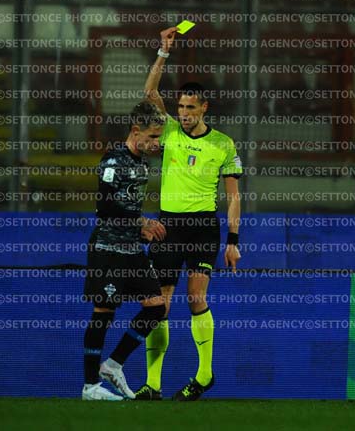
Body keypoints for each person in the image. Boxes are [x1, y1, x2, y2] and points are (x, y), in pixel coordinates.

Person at [138, 27, 243, 401]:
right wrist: (163, 51)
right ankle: (152, 384)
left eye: (190, 108)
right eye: (180, 107)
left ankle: (204, 374)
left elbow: (233, 197)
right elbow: (149, 93)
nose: (183, 114)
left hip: (202, 228)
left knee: (195, 297)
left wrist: (232, 240)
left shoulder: (223, 144)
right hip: (168, 226)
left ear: (204, 109)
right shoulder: (168, 131)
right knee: (159, 303)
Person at [82, 101, 168, 401]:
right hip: (108, 248)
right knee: (104, 312)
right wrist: (141, 221)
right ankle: (90, 386)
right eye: (153, 136)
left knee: (156, 306)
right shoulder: (113, 160)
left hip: (131, 248)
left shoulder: (142, 164)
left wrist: (139, 229)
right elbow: (104, 207)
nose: (157, 143)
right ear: (135, 131)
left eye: (159, 137)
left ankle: (113, 365)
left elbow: (127, 206)